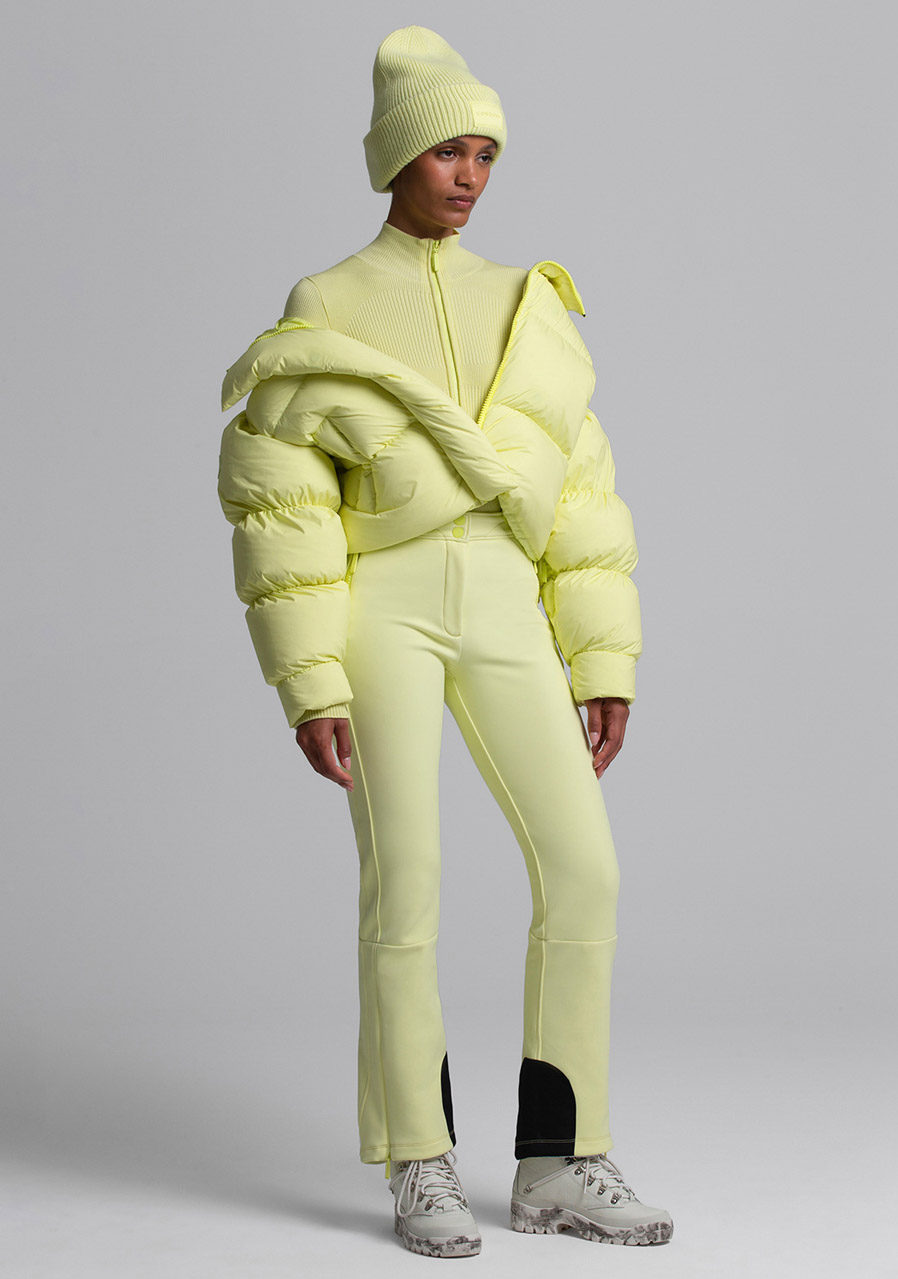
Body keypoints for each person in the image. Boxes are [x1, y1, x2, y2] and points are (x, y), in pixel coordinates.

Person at [217, 24, 672, 1259]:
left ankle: (558, 1160)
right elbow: (285, 507)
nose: (469, 176)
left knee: (583, 869)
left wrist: (602, 656)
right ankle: (419, 1159)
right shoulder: (325, 303)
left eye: (485, 154)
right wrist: (311, 680)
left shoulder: (529, 304)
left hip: (510, 600)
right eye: (446, 152)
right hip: (385, 605)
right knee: (404, 882)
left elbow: (582, 493)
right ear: (395, 159)